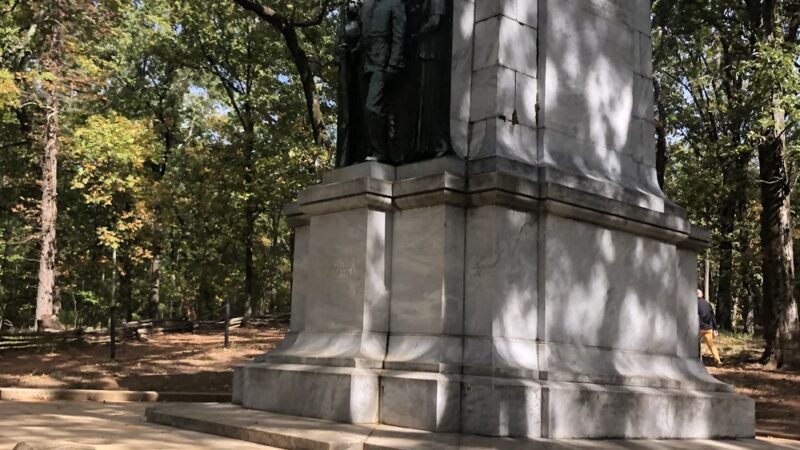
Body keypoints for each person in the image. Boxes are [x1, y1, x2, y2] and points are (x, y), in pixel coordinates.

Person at [697, 289, 722, 366]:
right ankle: (718, 360)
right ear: (702, 295)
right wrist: (715, 328)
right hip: (708, 328)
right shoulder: (708, 304)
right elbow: (712, 317)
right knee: (711, 345)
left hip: (698, 328)